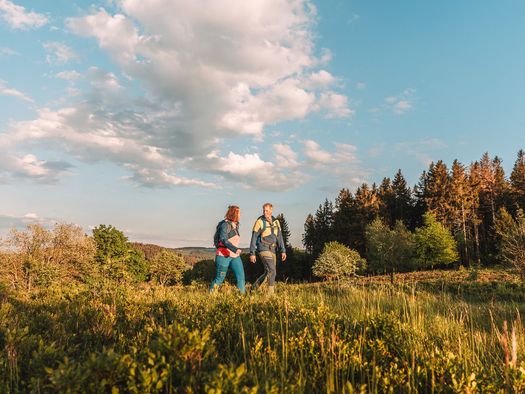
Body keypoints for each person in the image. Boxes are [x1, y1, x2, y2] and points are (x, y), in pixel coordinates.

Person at [249, 203, 287, 294]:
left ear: (271, 210)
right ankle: (270, 295)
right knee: (272, 271)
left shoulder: (276, 222)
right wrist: (252, 253)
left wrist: (283, 251)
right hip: (263, 248)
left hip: (273, 249)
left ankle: (253, 289)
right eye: (263, 210)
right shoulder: (260, 221)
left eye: (266, 210)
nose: (265, 212)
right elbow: (254, 237)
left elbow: (280, 237)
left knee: (268, 272)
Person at [210, 205, 245, 294]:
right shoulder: (225, 225)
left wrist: (235, 251)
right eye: (239, 213)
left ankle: (243, 298)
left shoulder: (235, 225)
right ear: (234, 214)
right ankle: (210, 297)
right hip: (223, 255)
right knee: (220, 278)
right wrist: (235, 249)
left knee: (241, 277)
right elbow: (223, 239)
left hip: (235, 256)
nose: (240, 215)